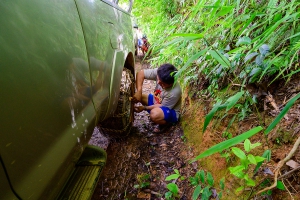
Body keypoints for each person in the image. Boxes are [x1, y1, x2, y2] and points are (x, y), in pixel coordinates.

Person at [132, 63, 182, 133]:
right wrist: (139, 91)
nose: (158, 82)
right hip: (158, 101)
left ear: (170, 84)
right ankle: (158, 117)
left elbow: (162, 106)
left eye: (162, 83)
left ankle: (166, 123)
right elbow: (141, 73)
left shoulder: (174, 92)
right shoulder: (160, 73)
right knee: (140, 97)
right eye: (158, 79)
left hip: (169, 111)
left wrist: (144, 107)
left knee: (154, 114)